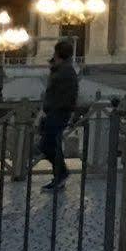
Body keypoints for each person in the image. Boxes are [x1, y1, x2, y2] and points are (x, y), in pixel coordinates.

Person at [36, 46, 79, 191]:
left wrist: (58, 109)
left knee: (46, 145)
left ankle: (62, 174)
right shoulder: (62, 69)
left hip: (58, 113)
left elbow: (65, 94)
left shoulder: (65, 71)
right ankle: (59, 177)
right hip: (55, 112)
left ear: (58, 54)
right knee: (54, 145)